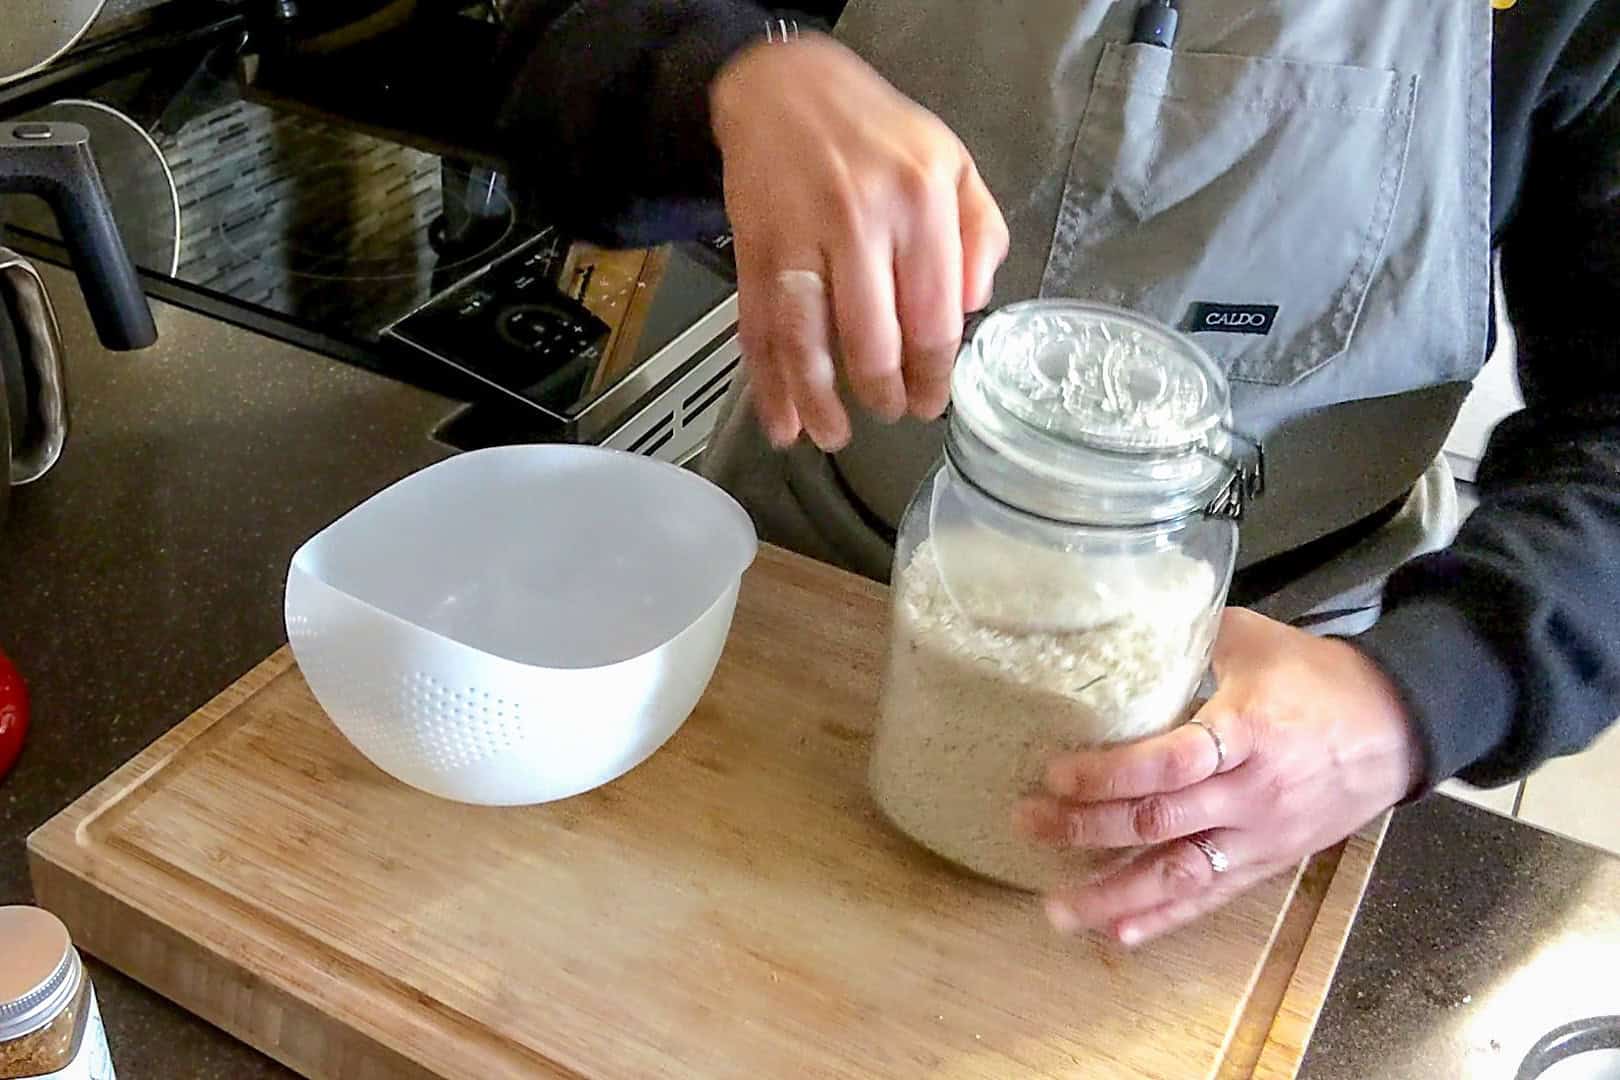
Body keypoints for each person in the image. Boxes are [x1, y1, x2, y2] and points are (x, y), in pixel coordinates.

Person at [493, 0, 1620, 944]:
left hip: (1278, 723)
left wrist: (1419, 695)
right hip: (798, 595)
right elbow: (547, 68)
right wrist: (730, 69)